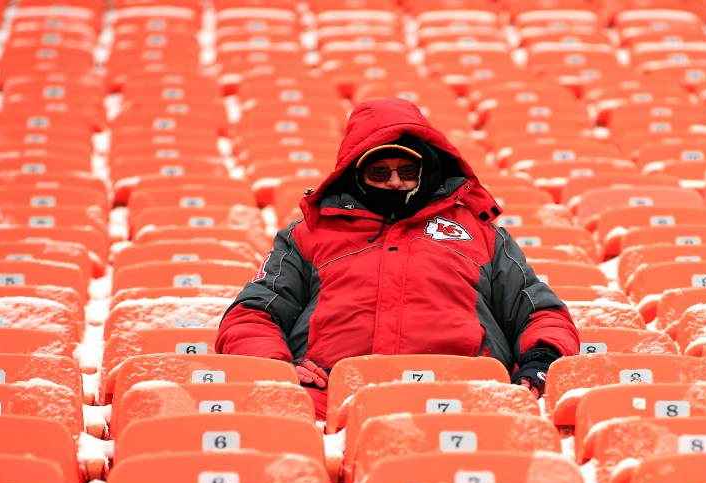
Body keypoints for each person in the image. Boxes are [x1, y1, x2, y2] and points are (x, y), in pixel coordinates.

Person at [216, 97, 580, 421]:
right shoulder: (307, 235)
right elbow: (251, 316)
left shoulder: (481, 233)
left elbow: (539, 311)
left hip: (468, 402)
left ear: (428, 170)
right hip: (331, 407)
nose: (394, 182)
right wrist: (279, 366)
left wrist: (541, 359)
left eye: (406, 172)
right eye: (380, 173)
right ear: (355, 173)